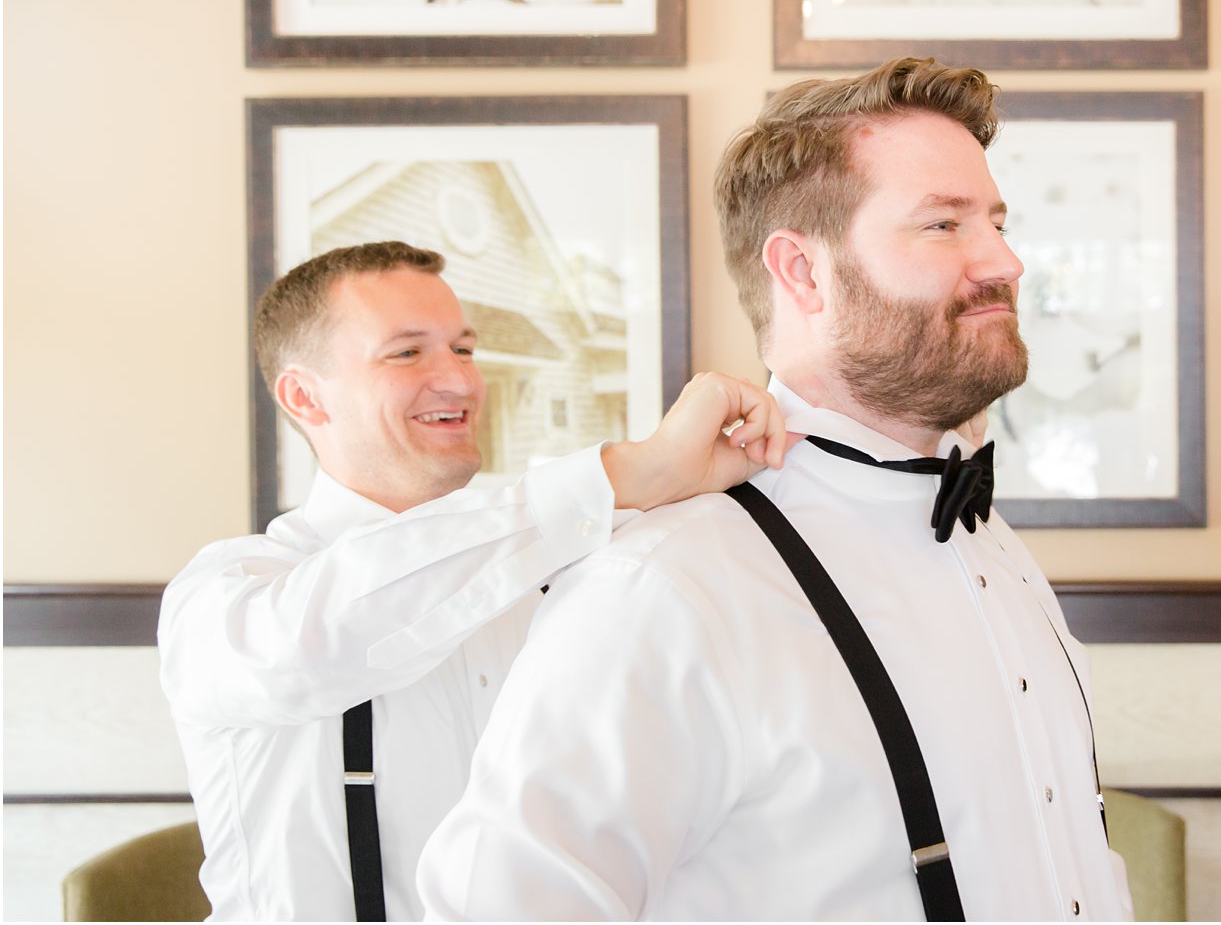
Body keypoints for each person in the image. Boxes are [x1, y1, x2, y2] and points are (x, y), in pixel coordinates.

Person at [417, 59, 1134, 921]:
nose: (1005, 261)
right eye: (944, 224)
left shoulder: (999, 550)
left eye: (996, 221)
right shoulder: (663, 590)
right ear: (801, 273)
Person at [158, 241, 791, 921]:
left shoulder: (568, 577)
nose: (460, 381)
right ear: (304, 397)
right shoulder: (227, 598)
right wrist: (624, 476)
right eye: (407, 353)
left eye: (463, 349)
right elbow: (319, 640)